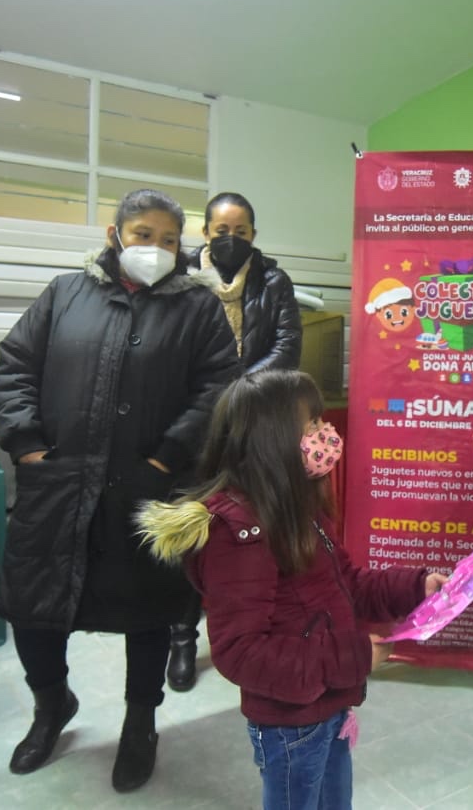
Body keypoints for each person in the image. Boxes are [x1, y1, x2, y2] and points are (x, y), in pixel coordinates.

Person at [0, 188, 242, 792]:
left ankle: (140, 723)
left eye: (166, 239)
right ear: (114, 235)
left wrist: (166, 457)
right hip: (58, 481)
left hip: (147, 485)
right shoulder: (65, 293)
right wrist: (27, 444)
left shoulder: (198, 309)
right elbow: (15, 364)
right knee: (36, 606)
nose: (153, 248)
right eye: (141, 234)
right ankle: (51, 706)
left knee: (147, 611)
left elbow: (218, 388)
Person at [138, 369, 445, 810]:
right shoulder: (240, 535)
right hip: (291, 725)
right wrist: (353, 656)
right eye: (313, 426)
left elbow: (347, 584)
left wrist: (416, 587)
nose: (326, 436)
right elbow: (240, 651)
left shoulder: (296, 506)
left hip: (329, 703)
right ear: (272, 441)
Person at [170, 191, 303, 692]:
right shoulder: (179, 281)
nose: (231, 240)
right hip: (190, 427)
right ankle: (182, 636)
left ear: (253, 235)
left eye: (241, 232)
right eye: (221, 231)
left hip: (252, 424)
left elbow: (287, 347)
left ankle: (250, 629)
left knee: (249, 529)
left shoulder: (274, 279)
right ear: (205, 233)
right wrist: (208, 396)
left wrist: (237, 391)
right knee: (192, 528)